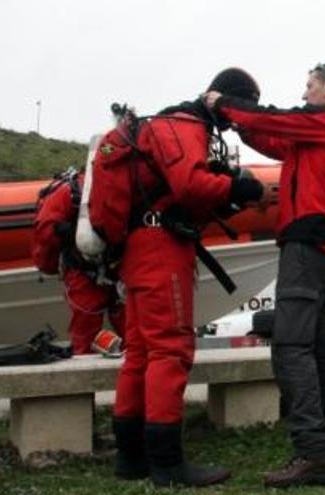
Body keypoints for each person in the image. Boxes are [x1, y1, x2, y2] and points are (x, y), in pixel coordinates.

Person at [110, 68, 265, 488]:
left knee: (141, 351)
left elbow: (178, 190)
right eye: (239, 111)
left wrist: (228, 192)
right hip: (161, 248)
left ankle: (131, 457)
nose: (236, 121)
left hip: (139, 244)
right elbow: (189, 184)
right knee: (170, 350)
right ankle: (167, 464)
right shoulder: (185, 125)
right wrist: (240, 188)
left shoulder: (164, 126)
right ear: (228, 100)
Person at [204, 62, 325, 488]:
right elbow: (274, 138)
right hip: (317, 249)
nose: (303, 91)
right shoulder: (319, 130)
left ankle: (314, 453)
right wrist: (241, 127)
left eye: (309, 85)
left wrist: (225, 105)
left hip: (305, 249)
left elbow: (278, 119)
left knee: (289, 349)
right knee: (324, 352)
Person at [32, 170, 125, 355]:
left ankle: (136, 371)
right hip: (83, 271)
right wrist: (69, 231)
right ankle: (86, 374)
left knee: (134, 327)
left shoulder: (125, 185)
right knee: (85, 332)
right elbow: (45, 230)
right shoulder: (71, 193)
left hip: (118, 266)